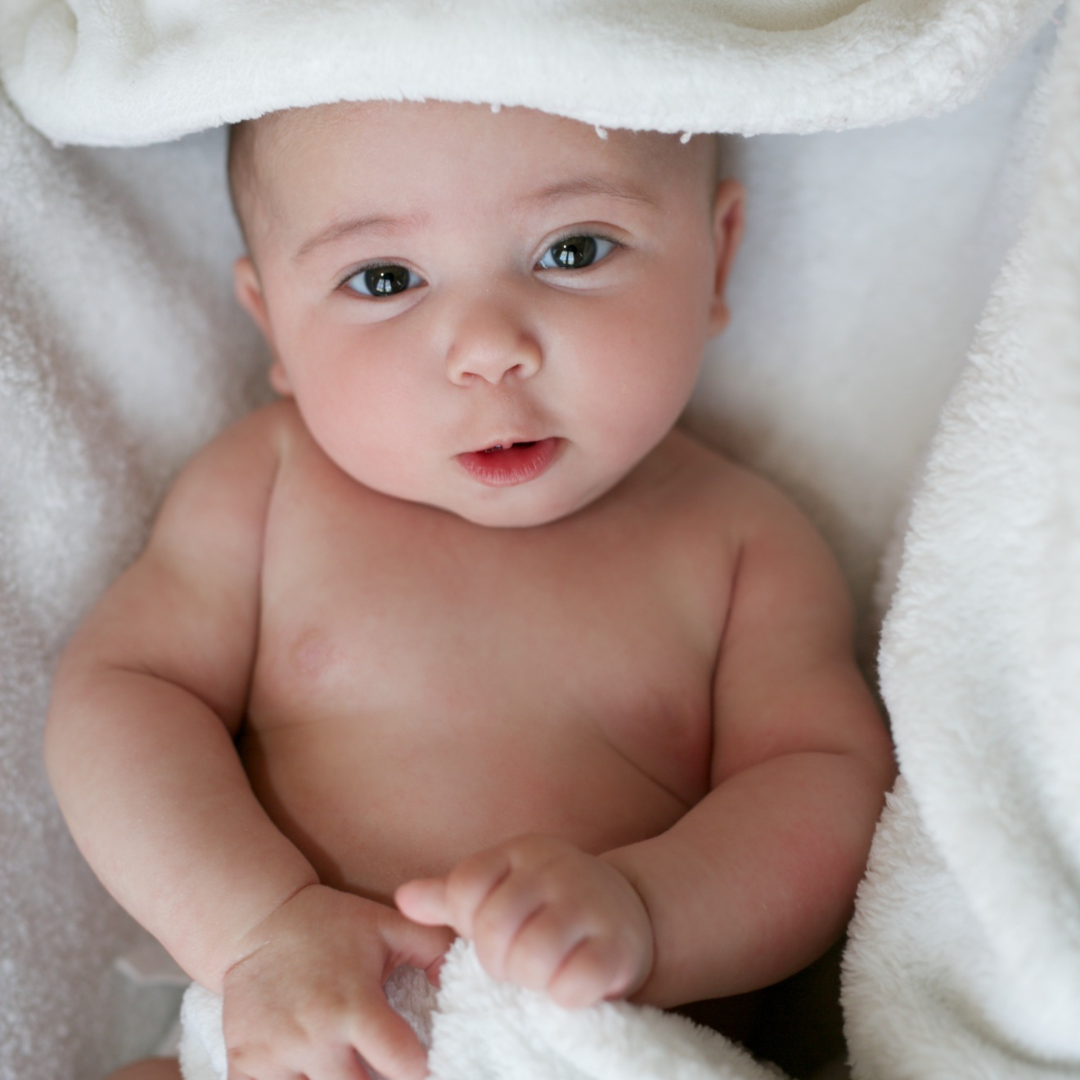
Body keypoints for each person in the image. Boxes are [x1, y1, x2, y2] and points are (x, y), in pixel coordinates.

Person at [46, 99, 895, 1080]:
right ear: (273, 322)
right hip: (302, 1035)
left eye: (574, 251)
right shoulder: (268, 489)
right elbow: (124, 696)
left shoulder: (740, 543)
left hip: (591, 1046)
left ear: (718, 254)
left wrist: (651, 911)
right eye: (384, 279)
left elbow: (822, 786)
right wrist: (256, 929)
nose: (489, 346)